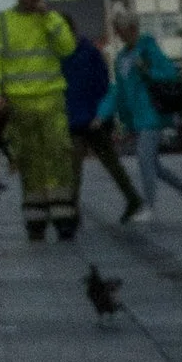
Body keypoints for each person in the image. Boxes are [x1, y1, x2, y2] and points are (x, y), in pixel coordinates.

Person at [0, 0, 77, 240]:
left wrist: (49, 19)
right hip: (21, 104)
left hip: (51, 100)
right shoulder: (2, 23)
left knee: (58, 154)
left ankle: (64, 216)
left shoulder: (51, 19)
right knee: (30, 160)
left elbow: (67, 48)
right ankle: (35, 218)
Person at [106, 4, 182, 216]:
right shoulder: (121, 58)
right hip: (137, 117)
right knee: (152, 163)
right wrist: (120, 118)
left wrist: (148, 71)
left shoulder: (148, 48)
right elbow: (120, 91)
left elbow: (169, 73)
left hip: (152, 113)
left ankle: (149, 206)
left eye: (122, 30)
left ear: (132, 28)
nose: (119, 35)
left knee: (145, 159)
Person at [64, 20, 141, 227]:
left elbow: (103, 85)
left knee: (87, 165)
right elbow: (103, 83)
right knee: (81, 167)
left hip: (87, 117)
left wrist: (101, 114)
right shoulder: (86, 52)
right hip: (81, 117)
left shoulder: (81, 54)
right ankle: (72, 210)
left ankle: (72, 210)